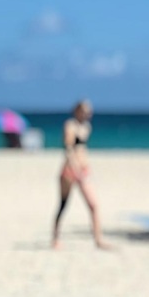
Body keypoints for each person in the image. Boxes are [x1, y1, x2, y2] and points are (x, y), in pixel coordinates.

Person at [52, 99, 108, 249]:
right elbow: (69, 149)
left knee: (93, 205)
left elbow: (82, 149)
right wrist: (75, 168)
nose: (87, 114)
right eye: (85, 111)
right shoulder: (70, 125)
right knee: (63, 204)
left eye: (89, 111)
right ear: (77, 110)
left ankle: (98, 239)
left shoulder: (87, 127)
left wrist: (86, 168)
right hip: (70, 170)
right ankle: (55, 238)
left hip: (83, 170)